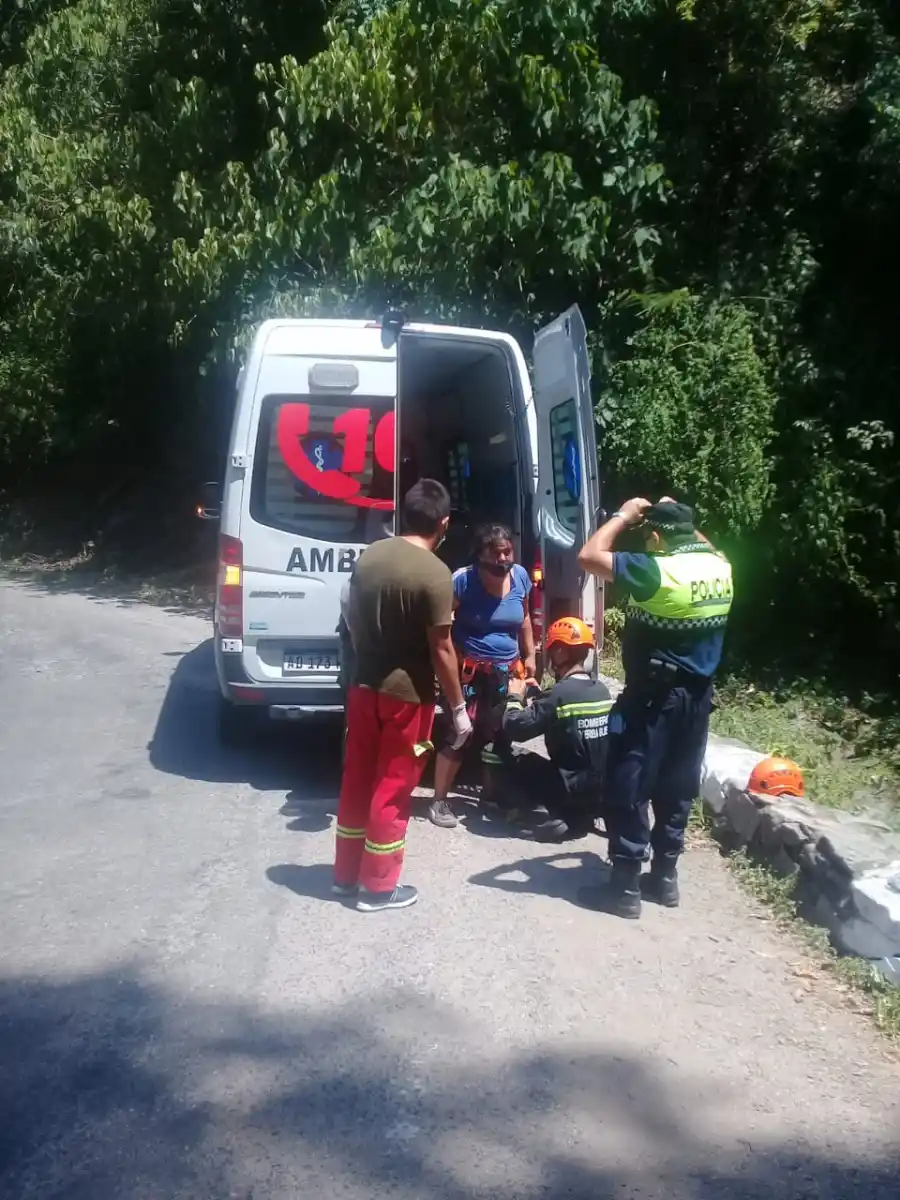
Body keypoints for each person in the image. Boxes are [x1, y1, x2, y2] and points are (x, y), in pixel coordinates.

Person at [576, 497, 734, 919]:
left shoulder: (654, 572)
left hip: (652, 700)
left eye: (651, 537)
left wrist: (623, 517)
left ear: (658, 537)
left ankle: (624, 888)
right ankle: (664, 878)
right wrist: (678, 512)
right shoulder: (720, 567)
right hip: (698, 700)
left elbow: (589, 555)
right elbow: (701, 543)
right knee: (677, 786)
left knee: (629, 782)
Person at [335, 479, 473, 913]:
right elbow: (441, 648)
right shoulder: (436, 574)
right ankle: (377, 888)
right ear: (444, 523)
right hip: (407, 697)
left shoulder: (369, 557)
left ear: (403, 514)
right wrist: (458, 707)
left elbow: (353, 621)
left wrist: (366, 661)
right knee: (393, 786)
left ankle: (345, 877)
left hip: (362, 686)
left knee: (357, 777)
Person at [427, 523, 537, 829]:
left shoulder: (521, 577)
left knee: (499, 734)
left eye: (508, 552)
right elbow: (440, 626)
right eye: (496, 553)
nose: (503, 559)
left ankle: (490, 798)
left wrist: (530, 657)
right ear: (481, 555)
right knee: (460, 734)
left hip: (506, 673)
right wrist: (446, 664)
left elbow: (525, 616)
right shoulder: (462, 581)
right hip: (469, 674)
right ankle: (439, 801)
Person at [499, 617, 614, 842]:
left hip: (568, 789)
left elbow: (515, 728)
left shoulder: (558, 696)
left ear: (560, 652)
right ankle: (586, 813)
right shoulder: (601, 691)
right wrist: (540, 697)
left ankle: (551, 815)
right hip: (601, 789)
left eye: (552, 651)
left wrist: (514, 697)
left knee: (517, 758)